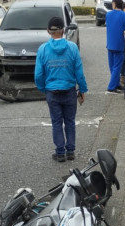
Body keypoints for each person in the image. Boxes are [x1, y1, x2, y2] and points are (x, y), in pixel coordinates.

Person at [35, 16, 88, 161]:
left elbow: (38, 74)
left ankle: (60, 153)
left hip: (52, 91)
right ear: (63, 30)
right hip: (70, 90)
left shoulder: (43, 49)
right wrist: (82, 90)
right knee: (70, 121)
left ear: (48, 31)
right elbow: (79, 72)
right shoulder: (72, 48)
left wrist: (43, 88)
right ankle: (70, 151)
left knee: (56, 122)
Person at [104, 0, 125, 93]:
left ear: (114, 4)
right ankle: (111, 87)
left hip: (110, 43)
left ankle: (116, 83)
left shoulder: (108, 14)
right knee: (117, 66)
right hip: (119, 43)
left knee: (112, 66)